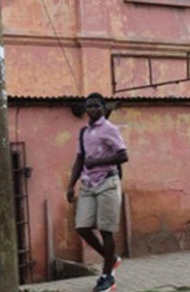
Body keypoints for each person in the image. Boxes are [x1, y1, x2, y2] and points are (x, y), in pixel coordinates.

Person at [66, 92, 129, 292]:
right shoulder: (83, 132)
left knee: (105, 230)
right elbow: (79, 159)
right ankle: (111, 258)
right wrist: (70, 184)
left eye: (96, 106)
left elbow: (123, 155)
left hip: (107, 182)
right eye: (89, 106)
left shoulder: (109, 129)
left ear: (102, 108)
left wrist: (97, 162)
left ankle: (107, 276)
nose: (92, 109)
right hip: (88, 184)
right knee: (82, 227)